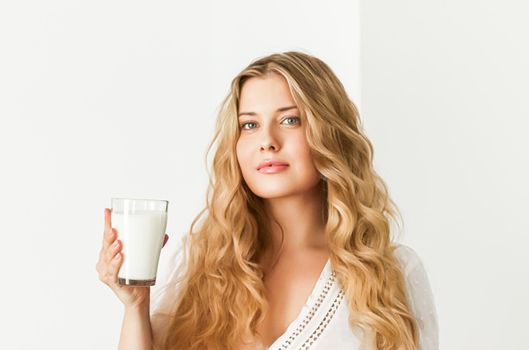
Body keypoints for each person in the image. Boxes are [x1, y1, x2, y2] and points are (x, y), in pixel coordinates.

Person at [96, 50, 439, 350]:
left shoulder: (388, 274)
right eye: (249, 125)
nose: (267, 142)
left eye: (290, 120)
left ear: (329, 133)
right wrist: (135, 305)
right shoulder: (201, 262)